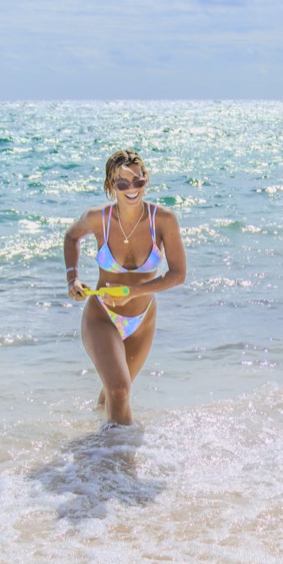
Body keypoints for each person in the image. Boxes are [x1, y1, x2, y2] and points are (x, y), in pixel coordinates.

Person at [64, 150, 187, 426]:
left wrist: (134, 292)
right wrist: (72, 278)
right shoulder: (99, 219)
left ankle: (99, 451)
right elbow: (71, 236)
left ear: (146, 180)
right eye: (122, 183)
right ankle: (122, 458)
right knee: (120, 390)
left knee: (112, 395)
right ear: (111, 186)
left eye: (138, 181)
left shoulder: (163, 220)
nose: (131, 189)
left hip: (142, 322)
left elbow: (178, 274)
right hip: (102, 316)